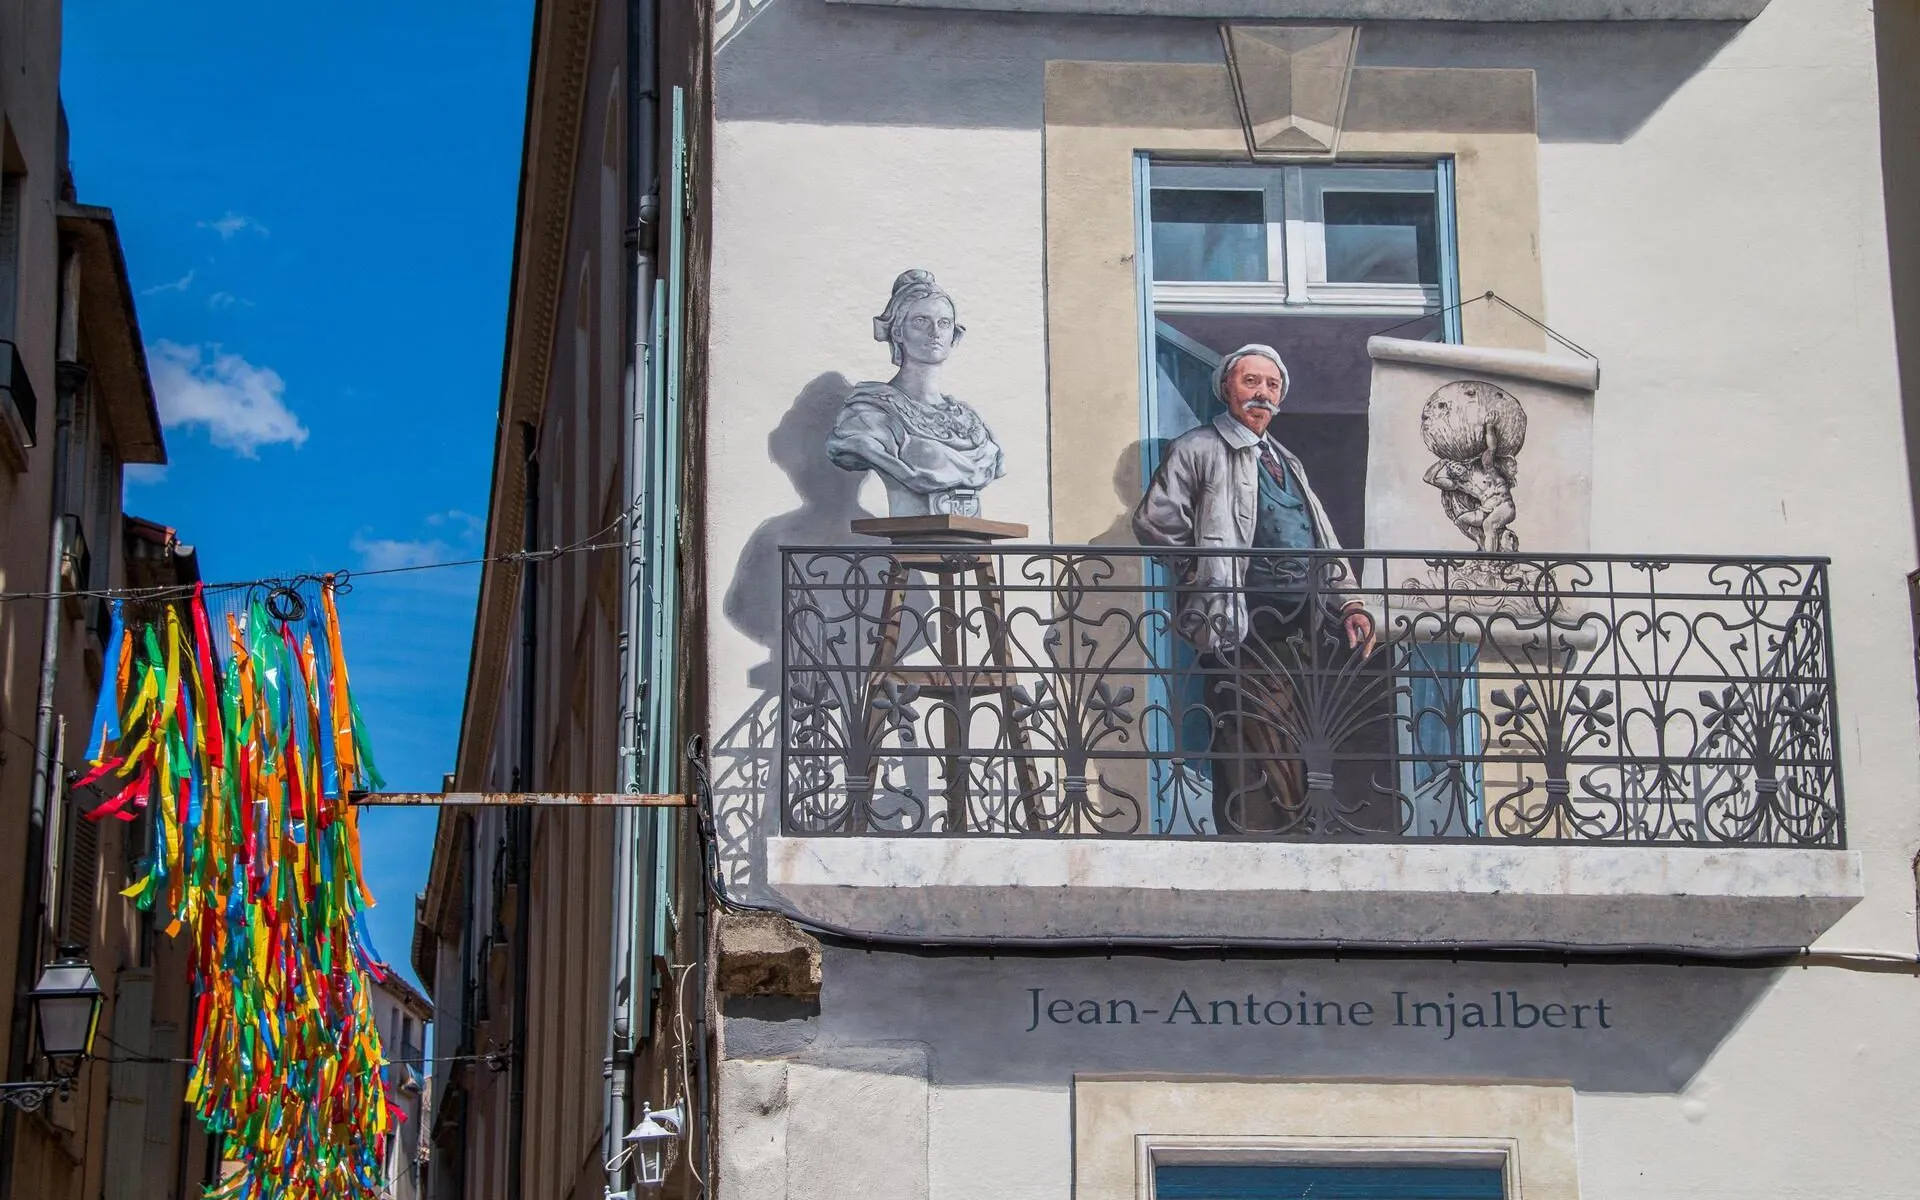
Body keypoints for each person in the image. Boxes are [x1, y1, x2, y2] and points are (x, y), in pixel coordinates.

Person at [1132, 344, 1376, 834]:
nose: (1262, 394)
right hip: (1238, 615)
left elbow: (1321, 538)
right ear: (1227, 389)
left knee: (1284, 725)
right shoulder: (1198, 447)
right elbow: (1156, 521)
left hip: (1297, 619)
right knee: (1254, 723)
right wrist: (1202, 574)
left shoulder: (1287, 460)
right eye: (1251, 382)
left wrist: (1349, 602)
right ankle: (1285, 827)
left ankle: (1284, 826)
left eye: (1272, 385)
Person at [825, 269, 1004, 518]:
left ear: (954, 334)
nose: (935, 332)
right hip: (911, 542)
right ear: (897, 331)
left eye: (944, 323)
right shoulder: (870, 414)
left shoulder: (970, 420)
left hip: (970, 547)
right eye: (921, 321)